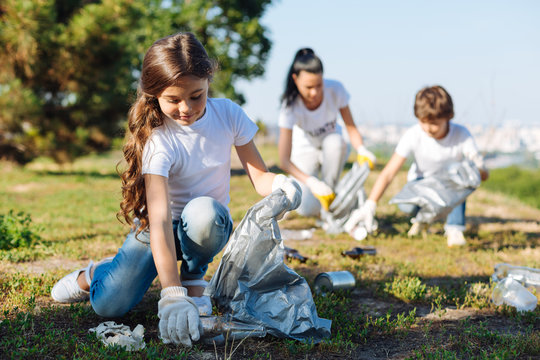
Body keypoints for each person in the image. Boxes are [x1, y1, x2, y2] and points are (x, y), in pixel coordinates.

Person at [50, 32, 301, 347]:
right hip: (160, 229)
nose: (187, 108)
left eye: (197, 95)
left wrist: (280, 184)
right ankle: (95, 273)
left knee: (205, 213)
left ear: (208, 79)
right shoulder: (159, 140)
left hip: (203, 226)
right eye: (173, 100)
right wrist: (169, 293)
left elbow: (260, 176)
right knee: (109, 306)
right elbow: (158, 220)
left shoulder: (229, 115)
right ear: (154, 95)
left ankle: (194, 275)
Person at [353, 85, 489, 247]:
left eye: (435, 123)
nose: (428, 128)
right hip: (421, 183)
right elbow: (389, 172)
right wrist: (371, 203)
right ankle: (422, 220)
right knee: (405, 206)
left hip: (450, 185)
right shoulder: (414, 134)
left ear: (448, 117)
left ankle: (454, 228)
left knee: (460, 184)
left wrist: (478, 168)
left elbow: (482, 174)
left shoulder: (461, 135)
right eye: (423, 122)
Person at [277, 48, 376, 217]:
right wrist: (312, 182)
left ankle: (332, 199)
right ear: (295, 79)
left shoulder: (335, 89)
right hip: (305, 150)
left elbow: (350, 127)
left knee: (335, 142)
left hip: (332, 146)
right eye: (308, 87)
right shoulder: (290, 107)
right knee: (307, 208)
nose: (314, 93)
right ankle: (323, 198)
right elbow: (284, 160)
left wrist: (361, 149)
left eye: (318, 85)